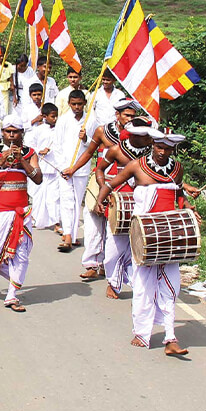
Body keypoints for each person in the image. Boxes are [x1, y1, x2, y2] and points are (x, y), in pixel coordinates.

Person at [94, 129, 200, 355]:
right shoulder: (137, 166)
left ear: (173, 150)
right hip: (143, 235)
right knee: (143, 285)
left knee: (170, 285)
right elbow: (112, 184)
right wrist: (100, 201)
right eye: (159, 147)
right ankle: (142, 333)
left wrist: (189, 208)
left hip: (169, 236)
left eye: (168, 148)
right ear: (152, 145)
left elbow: (177, 194)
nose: (162, 152)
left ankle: (171, 337)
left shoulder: (177, 169)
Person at [0, 115, 42, 312]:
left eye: (15, 132)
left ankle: (11, 295)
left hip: (21, 211)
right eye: (8, 132)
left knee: (21, 255)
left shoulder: (30, 153)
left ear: (22, 133)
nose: (11, 135)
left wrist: (22, 161)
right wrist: (1, 162)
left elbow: (38, 179)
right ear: (2, 133)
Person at [65, 97, 137, 277]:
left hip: (126, 186)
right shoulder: (102, 131)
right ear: (117, 115)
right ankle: (92, 264)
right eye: (126, 115)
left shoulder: (139, 135)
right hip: (101, 180)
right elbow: (89, 152)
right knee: (93, 223)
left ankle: (112, 265)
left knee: (117, 227)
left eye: (132, 116)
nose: (129, 119)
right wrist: (73, 169)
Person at [97, 118, 154, 299]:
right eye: (145, 136)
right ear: (134, 135)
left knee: (140, 246)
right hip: (119, 204)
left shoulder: (153, 153)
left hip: (144, 204)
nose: (149, 139)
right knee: (113, 250)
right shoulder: (117, 150)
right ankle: (113, 282)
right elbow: (100, 169)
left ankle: (140, 284)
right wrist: (102, 190)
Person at [53, 90, 98, 253]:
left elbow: (92, 146)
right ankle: (68, 235)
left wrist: (85, 138)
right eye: (74, 104)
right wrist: (62, 167)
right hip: (65, 167)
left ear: (85, 103)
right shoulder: (64, 120)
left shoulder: (91, 120)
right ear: (69, 104)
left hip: (81, 168)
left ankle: (71, 233)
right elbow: (56, 145)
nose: (77, 107)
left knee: (77, 201)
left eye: (80, 104)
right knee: (66, 201)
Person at [25, 103, 60, 231]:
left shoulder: (60, 130)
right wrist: (40, 150)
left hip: (55, 167)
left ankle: (55, 221)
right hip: (41, 166)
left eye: (56, 116)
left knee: (54, 196)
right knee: (38, 195)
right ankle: (36, 218)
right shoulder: (38, 130)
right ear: (44, 116)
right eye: (52, 116)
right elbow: (29, 145)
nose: (55, 119)